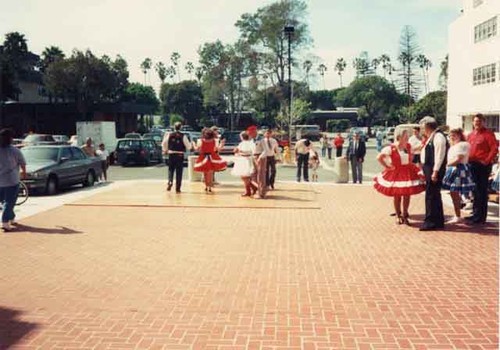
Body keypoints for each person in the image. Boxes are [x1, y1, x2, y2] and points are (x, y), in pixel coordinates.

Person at [374, 129, 425, 225]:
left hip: (408, 172)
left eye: (407, 136)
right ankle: (398, 215)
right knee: (397, 195)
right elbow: (379, 157)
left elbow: (413, 156)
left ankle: (405, 214)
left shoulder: (409, 146)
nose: (407, 137)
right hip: (396, 172)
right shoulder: (392, 147)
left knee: (407, 194)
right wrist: (387, 166)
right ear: (399, 137)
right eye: (405, 136)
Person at [466, 114, 498, 224]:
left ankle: (480, 217)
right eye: (475, 121)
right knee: (474, 190)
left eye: (479, 121)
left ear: (483, 122)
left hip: (482, 166)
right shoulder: (470, 135)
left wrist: (486, 161)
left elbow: (494, 149)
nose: (477, 123)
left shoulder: (488, 134)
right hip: (471, 165)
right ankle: (475, 214)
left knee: (481, 191)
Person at [419, 116, 448, 231]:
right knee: (435, 195)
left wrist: (435, 172)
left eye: (423, 128)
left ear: (427, 126)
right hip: (429, 169)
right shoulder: (433, 136)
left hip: (433, 170)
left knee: (431, 196)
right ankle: (438, 220)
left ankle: (430, 221)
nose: (422, 130)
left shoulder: (438, 137)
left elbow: (439, 156)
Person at [442, 128, 475, 224]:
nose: (452, 137)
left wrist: (447, 165)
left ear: (460, 135)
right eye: (450, 135)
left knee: (455, 192)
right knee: (454, 193)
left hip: (459, 170)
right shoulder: (454, 146)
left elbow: (459, 158)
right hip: (453, 169)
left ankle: (458, 215)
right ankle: (457, 214)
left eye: (454, 135)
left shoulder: (462, 145)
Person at [0, 129, 27, 232]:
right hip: (12, 180)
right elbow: (22, 163)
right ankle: (5, 222)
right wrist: (24, 174)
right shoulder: (15, 150)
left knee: (4, 201)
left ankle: (11, 217)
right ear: (10, 139)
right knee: (9, 202)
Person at [194, 128, 227, 193]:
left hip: (203, 157)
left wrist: (193, 144)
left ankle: (206, 186)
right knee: (210, 173)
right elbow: (218, 149)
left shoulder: (200, 141)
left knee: (205, 173)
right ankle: (209, 187)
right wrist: (222, 144)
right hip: (212, 157)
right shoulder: (215, 141)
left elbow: (197, 149)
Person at [162, 122, 192, 193]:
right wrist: (191, 146)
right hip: (180, 155)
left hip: (171, 154)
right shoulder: (183, 136)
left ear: (174, 127)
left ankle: (170, 181)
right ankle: (178, 188)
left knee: (171, 169)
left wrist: (165, 150)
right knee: (179, 172)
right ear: (181, 127)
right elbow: (188, 146)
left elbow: (164, 143)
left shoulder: (169, 134)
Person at [231, 131, 257, 196]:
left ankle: (250, 190)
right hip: (242, 160)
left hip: (246, 160)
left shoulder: (250, 143)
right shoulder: (242, 143)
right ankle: (251, 189)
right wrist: (237, 151)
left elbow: (253, 152)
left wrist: (240, 151)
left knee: (245, 176)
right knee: (244, 176)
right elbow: (237, 151)